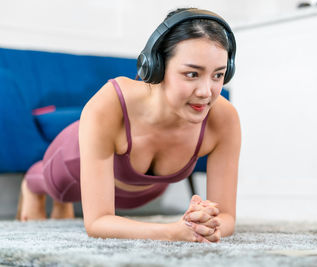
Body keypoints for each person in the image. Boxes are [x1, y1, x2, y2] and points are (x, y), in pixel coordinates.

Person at [16, 7, 241, 243]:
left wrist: (203, 223)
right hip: (71, 165)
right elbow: (97, 223)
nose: (207, 92)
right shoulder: (109, 104)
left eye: (218, 75)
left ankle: (63, 205)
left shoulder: (224, 119)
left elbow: (226, 217)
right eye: (192, 74)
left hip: (140, 192)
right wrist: (172, 232)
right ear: (156, 67)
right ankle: (32, 186)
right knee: (57, 188)